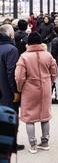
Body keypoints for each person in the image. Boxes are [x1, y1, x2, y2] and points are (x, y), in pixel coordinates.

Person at [15, 31, 58, 154]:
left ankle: (33, 145)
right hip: (45, 87)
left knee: (30, 117)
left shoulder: (24, 57)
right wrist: (49, 81)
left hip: (29, 89)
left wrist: (19, 88)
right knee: (45, 116)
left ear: (28, 42)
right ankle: (45, 142)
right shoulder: (48, 55)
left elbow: (19, 76)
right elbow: (54, 71)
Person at [0, 24, 24, 152]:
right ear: (9, 34)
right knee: (10, 117)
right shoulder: (11, 49)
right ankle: (11, 144)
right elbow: (11, 72)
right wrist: (16, 91)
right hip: (7, 91)